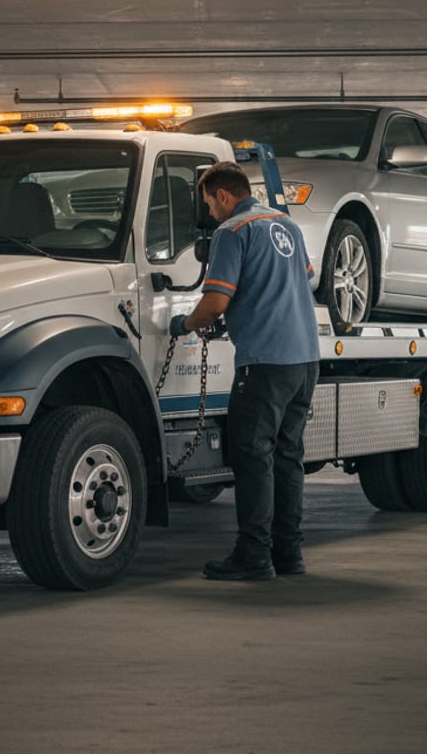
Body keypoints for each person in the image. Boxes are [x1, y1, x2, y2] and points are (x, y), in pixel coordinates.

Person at [170, 161, 321, 581]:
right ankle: (289, 556)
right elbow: (304, 278)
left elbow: (216, 301)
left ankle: (254, 554)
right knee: (288, 458)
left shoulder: (231, 232)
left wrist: (184, 323)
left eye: (208, 204)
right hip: (305, 359)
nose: (209, 213)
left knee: (254, 458)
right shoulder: (285, 225)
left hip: (266, 363)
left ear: (222, 195)